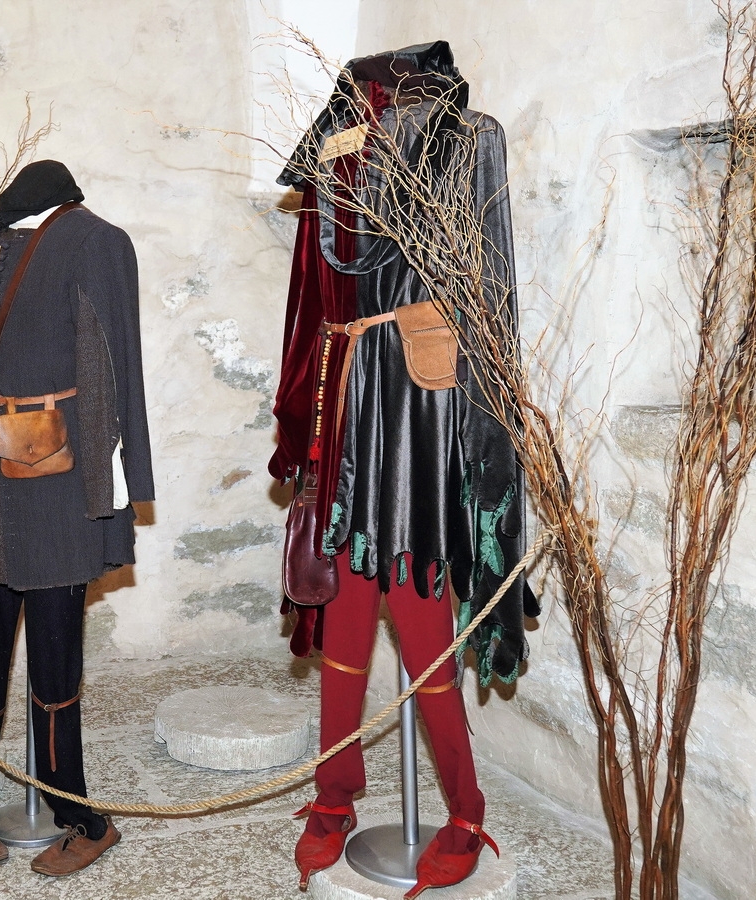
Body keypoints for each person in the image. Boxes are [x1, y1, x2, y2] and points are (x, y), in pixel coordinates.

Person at [268, 43, 536, 897]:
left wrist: (488, 443)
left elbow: (490, 294)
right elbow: (310, 300)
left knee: (424, 625)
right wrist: (304, 429)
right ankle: (334, 795)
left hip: (425, 414)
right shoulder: (339, 152)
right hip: (351, 405)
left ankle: (465, 809)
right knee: (345, 619)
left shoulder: (471, 139)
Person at [0, 160, 152, 877]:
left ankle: (81, 818)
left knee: (55, 664)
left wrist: (119, 487)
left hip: (61, 482)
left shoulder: (97, 241)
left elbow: (117, 365)